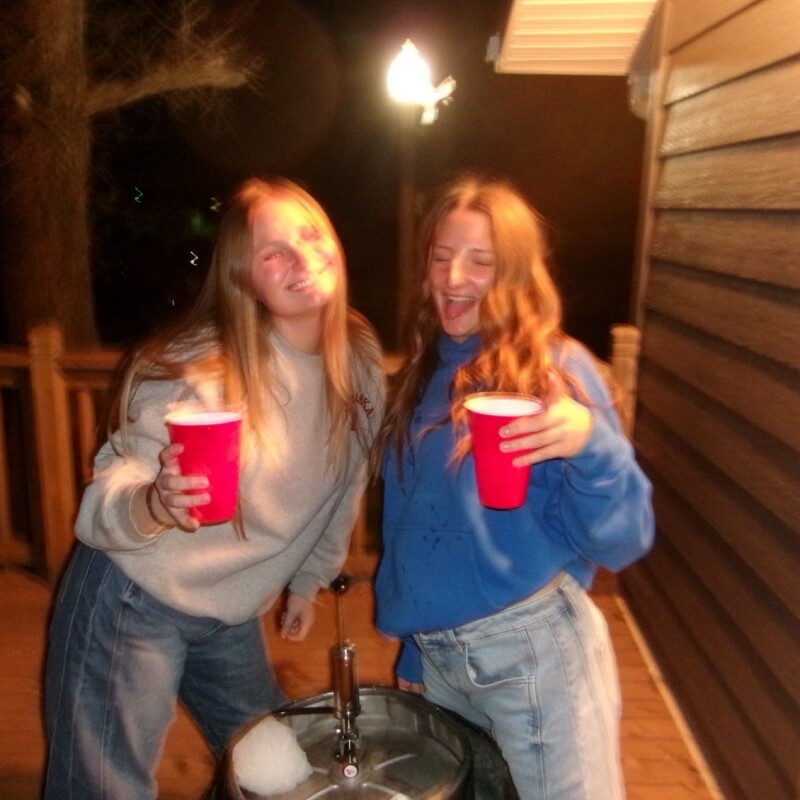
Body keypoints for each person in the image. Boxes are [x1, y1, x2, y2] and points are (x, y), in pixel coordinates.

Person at [44, 177, 385, 800]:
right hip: (132, 598)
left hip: (228, 615)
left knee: (278, 778)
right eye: (273, 253)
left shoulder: (358, 364)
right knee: (104, 788)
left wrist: (309, 578)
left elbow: (347, 479)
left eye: (310, 235)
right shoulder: (202, 365)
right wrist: (155, 501)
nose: (302, 258)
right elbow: (99, 508)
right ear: (242, 279)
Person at [373, 173, 654, 800]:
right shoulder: (425, 372)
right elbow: (413, 526)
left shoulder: (556, 370)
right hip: (443, 664)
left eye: (481, 261)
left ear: (517, 274)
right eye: (441, 257)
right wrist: (415, 645)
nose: (454, 278)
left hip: (535, 650)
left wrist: (590, 444)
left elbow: (626, 540)